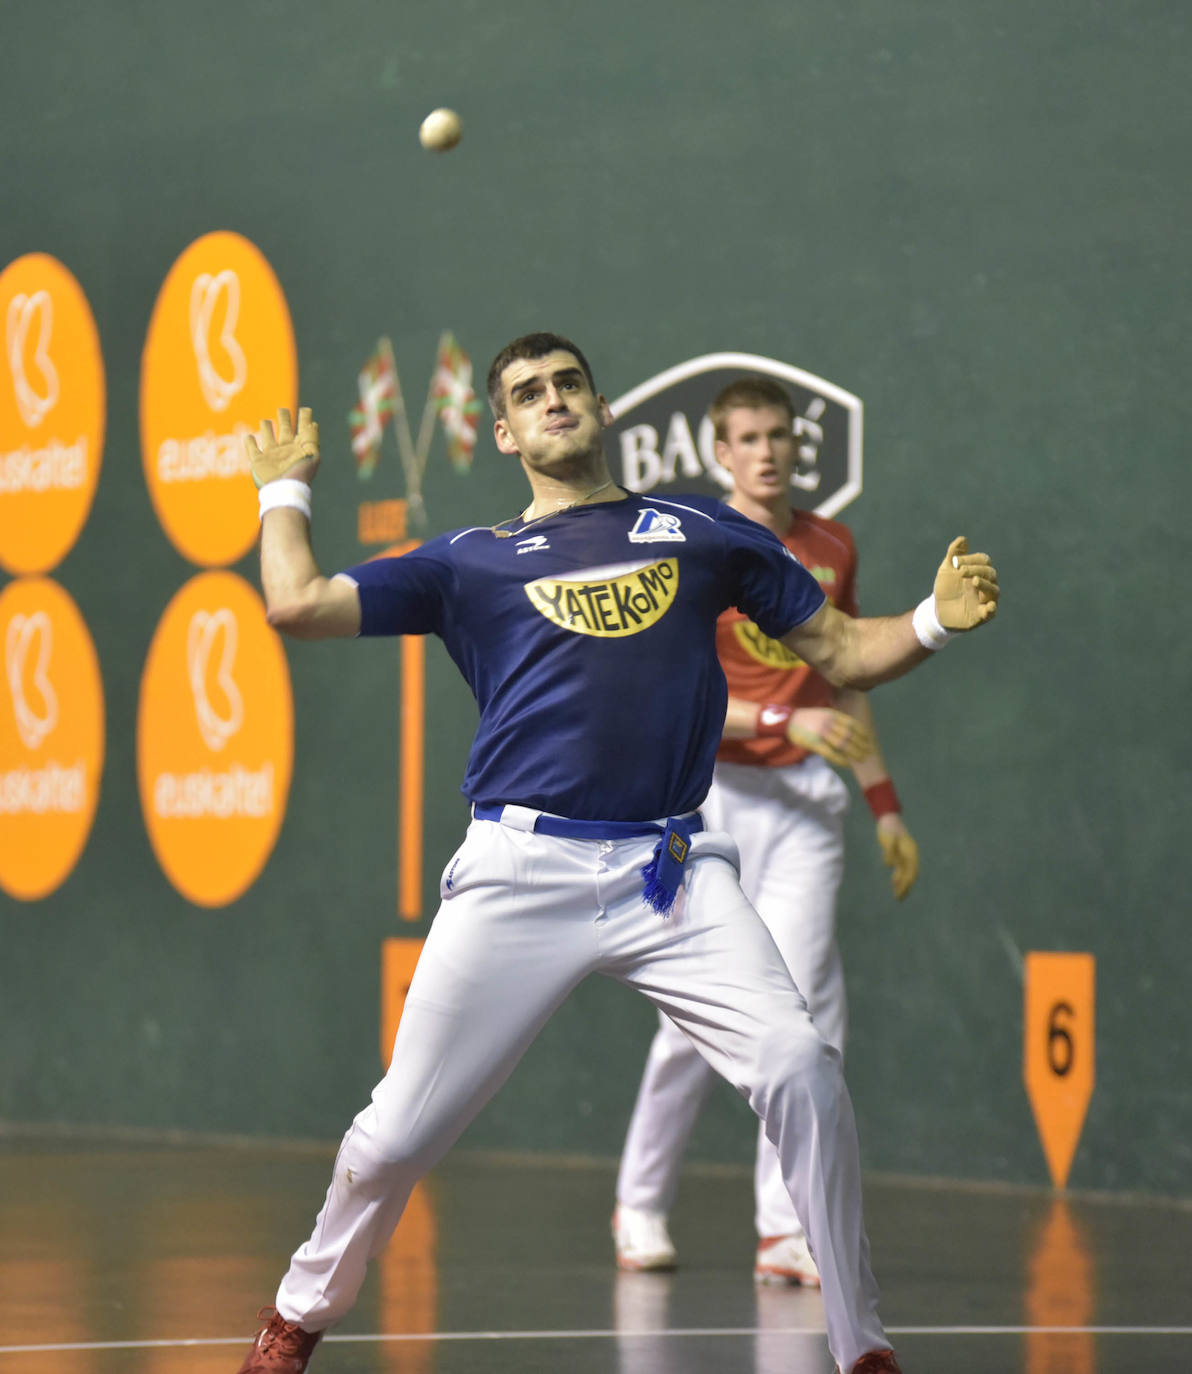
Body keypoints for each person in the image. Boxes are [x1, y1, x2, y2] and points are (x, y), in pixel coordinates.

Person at [234, 331, 998, 1374]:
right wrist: (284, 494)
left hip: (671, 873)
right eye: (527, 394)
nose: (552, 401)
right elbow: (297, 604)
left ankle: (862, 1347)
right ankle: (297, 1314)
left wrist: (933, 622)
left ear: (601, 408)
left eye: (567, 385)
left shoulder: (702, 534)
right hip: (517, 872)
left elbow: (844, 651)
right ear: (502, 430)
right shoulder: (470, 561)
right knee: (392, 1141)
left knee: (800, 1066)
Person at [613, 376, 920, 1288]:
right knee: (696, 1019)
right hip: (710, 805)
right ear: (720, 454)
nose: (768, 451)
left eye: (779, 435)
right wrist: (788, 726)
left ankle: (784, 1230)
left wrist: (885, 803)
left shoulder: (832, 545)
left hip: (806, 814)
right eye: (747, 438)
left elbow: (846, 677)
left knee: (806, 1012)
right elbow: (677, 695)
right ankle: (639, 1202)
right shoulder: (698, 545)